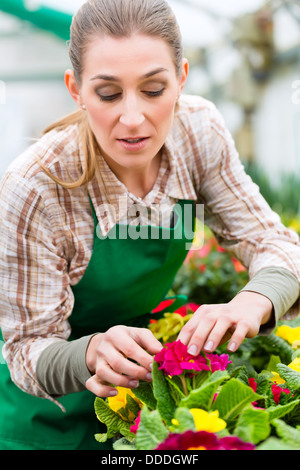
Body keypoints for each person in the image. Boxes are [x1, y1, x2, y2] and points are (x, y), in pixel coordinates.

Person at [0, 0, 299, 450]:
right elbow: (27, 348)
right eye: (108, 93)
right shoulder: (37, 185)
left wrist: (254, 300)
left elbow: (269, 238)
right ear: (76, 89)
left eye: (154, 89)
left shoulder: (198, 132)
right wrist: (90, 352)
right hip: (44, 408)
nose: (134, 118)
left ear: (181, 77)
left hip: (143, 384)